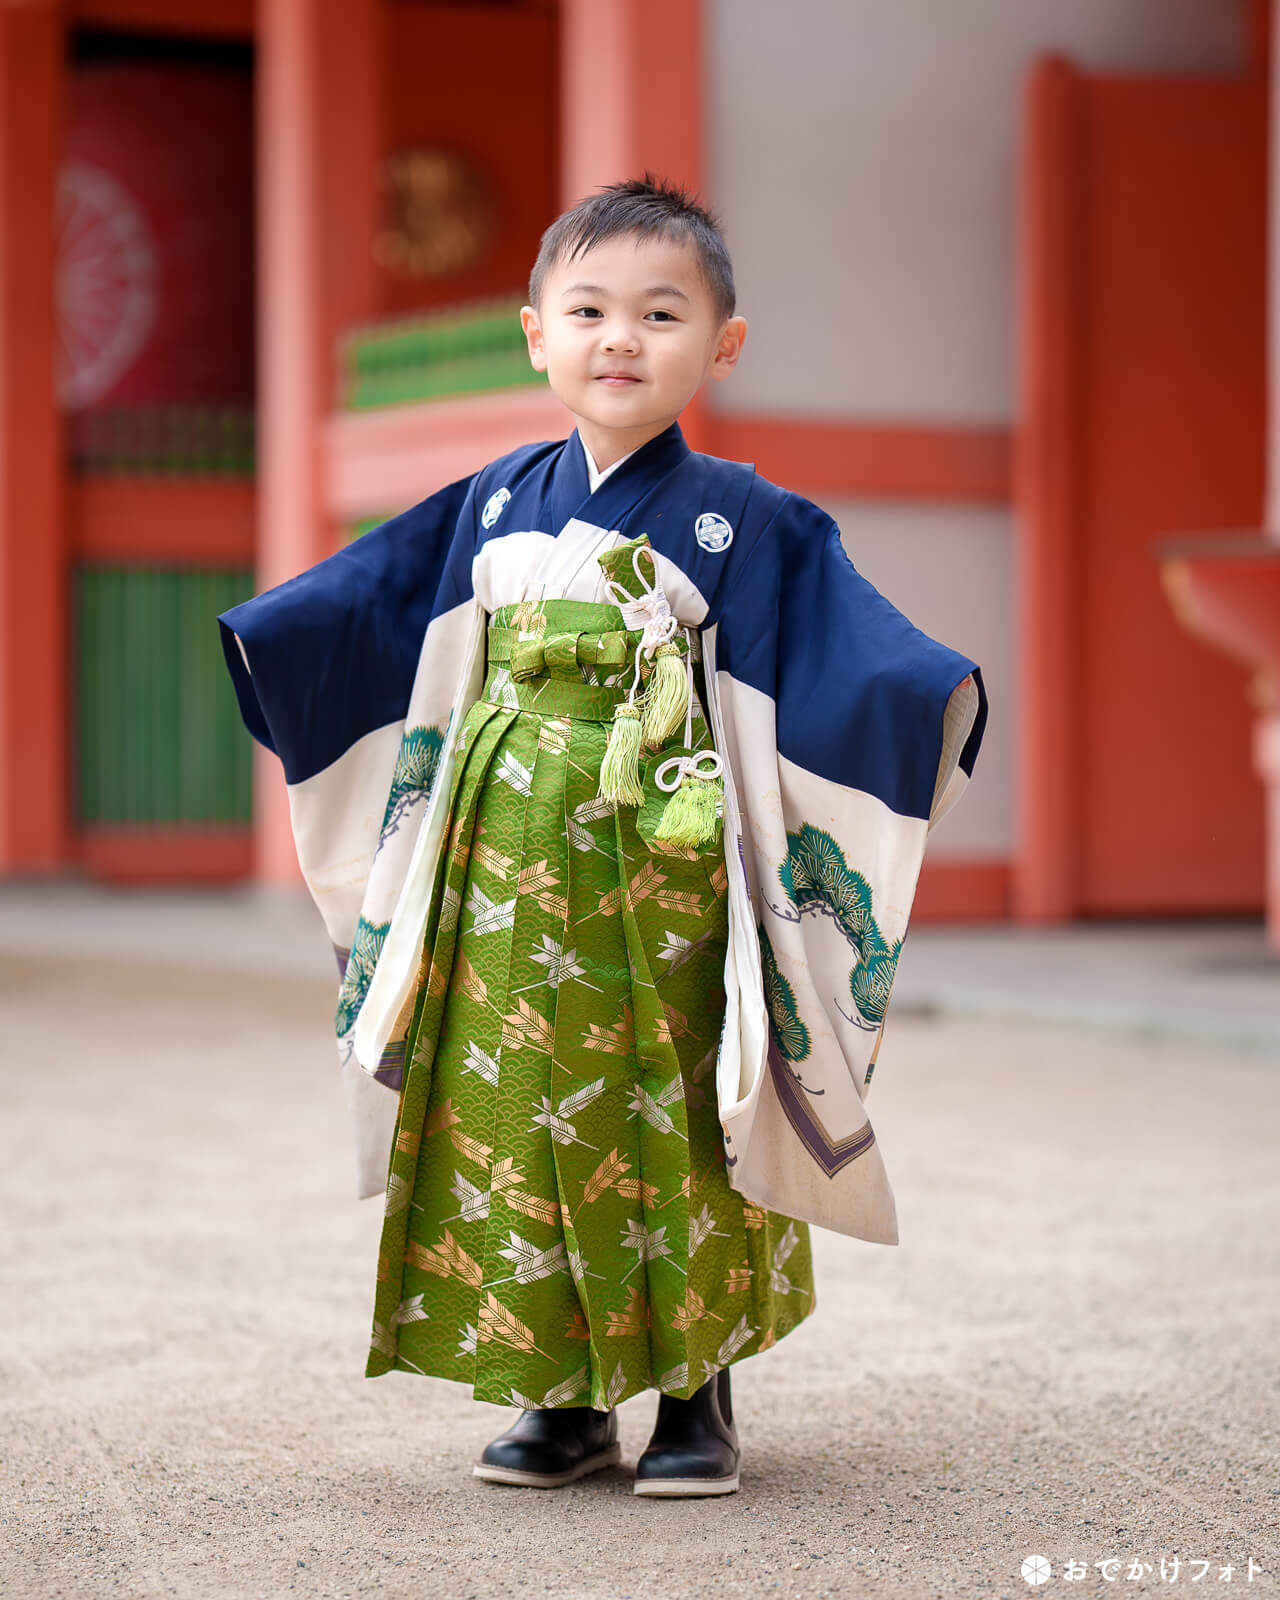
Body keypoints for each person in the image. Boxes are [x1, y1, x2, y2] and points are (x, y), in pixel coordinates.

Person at [218, 173, 987, 1498]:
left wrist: (932, 699)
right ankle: (556, 1397)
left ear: (722, 345)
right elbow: (374, 598)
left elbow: (850, 650)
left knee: (677, 1106)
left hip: (669, 856)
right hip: (501, 848)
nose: (621, 338)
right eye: (589, 310)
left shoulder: (744, 519)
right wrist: (270, 636)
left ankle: (697, 1396)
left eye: (660, 312)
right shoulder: (496, 502)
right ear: (537, 333)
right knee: (510, 1101)